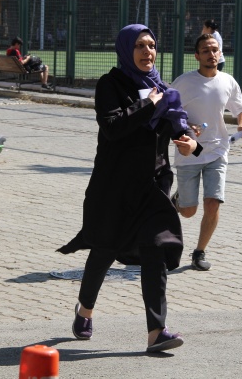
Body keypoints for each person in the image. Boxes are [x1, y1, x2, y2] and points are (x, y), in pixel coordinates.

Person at [56, 24, 202, 353]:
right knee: (104, 251)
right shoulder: (111, 84)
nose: (147, 51)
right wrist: (147, 106)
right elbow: (113, 128)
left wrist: (190, 144)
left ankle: (156, 331)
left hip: (152, 186)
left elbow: (180, 129)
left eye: (151, 45)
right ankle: (84, 310)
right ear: (125, 49)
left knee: (155, 251)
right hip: (116, 187)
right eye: (139, 45)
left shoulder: (164, 90)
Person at [170, 33, 242, 271]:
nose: (211, 54)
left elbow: (241, 108)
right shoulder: (184, 82)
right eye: (206, 50)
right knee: (188, 211)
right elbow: (168, 110)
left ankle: (199, 252)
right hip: (191, 150)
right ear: (197, 56)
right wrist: (185, 126)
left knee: (213, 202)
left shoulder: (227, 81)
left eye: (215, 50)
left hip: (217, 150)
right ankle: (178, 201)